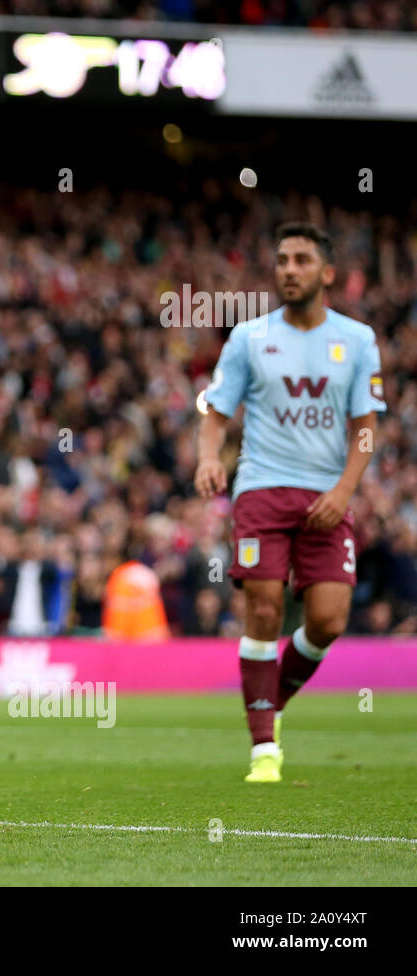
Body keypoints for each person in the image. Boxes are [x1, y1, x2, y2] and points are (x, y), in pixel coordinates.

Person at [196, 223, 385, 784]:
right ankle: (263, 750)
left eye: (302, 259)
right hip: (260, 487)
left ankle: (268, 700)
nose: (288, 269)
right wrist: (210, 457)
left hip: (329, 493)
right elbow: (216, 412)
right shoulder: (249, 338)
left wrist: (345, 491)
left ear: (327, 274)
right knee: (262, 611)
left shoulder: (357, 339)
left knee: (328, 619)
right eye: (281, 260)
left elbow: (366, 429)